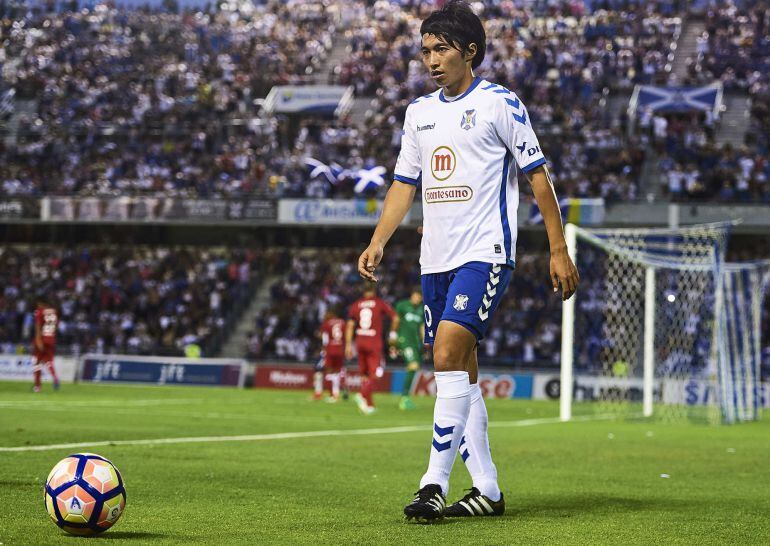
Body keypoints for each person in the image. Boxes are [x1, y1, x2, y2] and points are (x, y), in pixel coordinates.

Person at [355, 1, 579, 522]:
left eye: (441, 49)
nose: (431, 60)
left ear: (470, 52)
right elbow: (402, 185)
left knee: (447, 355)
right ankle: (488, 489)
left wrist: (558, 246)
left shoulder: (501, 103)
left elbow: (538, 178)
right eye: (426, 51)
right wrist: (379, 240)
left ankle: (432, 483)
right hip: (435, 259)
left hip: (485, 252)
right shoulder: (419, 113)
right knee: (462, 375)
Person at [345, 282, 399, 414]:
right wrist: (392, 334)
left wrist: (347, 345)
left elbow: (350, 325)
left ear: (363, 292)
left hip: (360, 341)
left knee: (364, 374)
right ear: (374, 291)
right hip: (374, 342)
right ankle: (362, 394)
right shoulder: (379, 303)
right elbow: (396, 318)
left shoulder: (356, 305)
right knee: (377, 373)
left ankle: (368, 404)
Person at [392, 289, 425, 410]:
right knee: (413, 365)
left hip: (416, 343)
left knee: (414, 368)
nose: (417, 299)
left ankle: (406, 397)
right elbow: (396, 320)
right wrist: (393, 335)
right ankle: (404, 398)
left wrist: (424, 341)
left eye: (419, 297)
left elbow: (422, 326)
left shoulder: (422, 309)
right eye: (416, 296)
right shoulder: (402, 305)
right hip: (404, 340)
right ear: (412, 296)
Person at [314, 308, 347, 402]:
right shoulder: (343, 323)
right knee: (336, 372)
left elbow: (325, 338)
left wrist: (323, 348)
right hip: (340, 349)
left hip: (330, 349)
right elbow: (346, 336)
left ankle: (330, 394)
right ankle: (335, 394)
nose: (325, 315)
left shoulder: (327, 323)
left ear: (331, 313)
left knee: (328, 371)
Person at [32, 294, 60, 392]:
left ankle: (37, 386)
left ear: (41, 303)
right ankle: (55, 377)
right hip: (51, 339)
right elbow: (56, 327)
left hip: (42, 339)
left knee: (37, 363)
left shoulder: (39, 312)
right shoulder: (54, 312)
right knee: (49, 361)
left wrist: (38, 340)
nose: (37, 306)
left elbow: (38, 327)